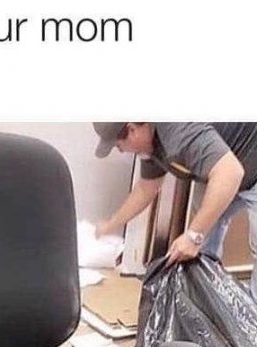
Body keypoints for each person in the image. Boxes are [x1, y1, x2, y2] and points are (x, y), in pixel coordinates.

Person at [92, 122, 257, 299]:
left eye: (119, 146)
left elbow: (230, 172)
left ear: (132, 130)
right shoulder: (151, 144)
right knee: (202, 248)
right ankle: (205, 305)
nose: (121, 151)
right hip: (229, 167)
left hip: (240, 167)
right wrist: (112, 224)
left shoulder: (178, 131)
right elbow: (146, 188)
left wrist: (193, 235)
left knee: (201, 237)